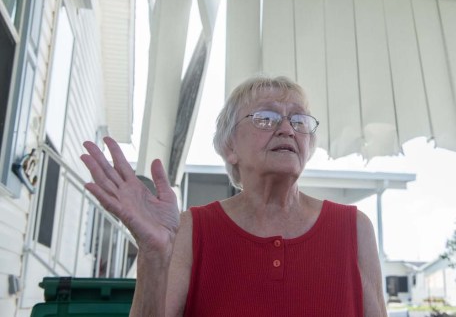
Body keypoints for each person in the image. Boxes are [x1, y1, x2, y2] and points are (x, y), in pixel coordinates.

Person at [81, 75, 387, 316]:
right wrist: (154, 254)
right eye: (265, 118)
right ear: (230, 147)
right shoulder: (191, 229)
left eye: (299, 120)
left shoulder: (354, 228)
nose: (286, 129)